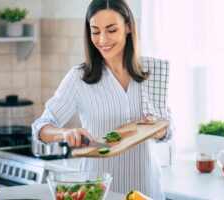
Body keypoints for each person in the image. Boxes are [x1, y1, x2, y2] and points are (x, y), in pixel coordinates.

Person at [32, 0, 174, 199]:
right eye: (95, 31)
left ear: (128, 27)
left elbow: (168, 130)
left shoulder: (152, 73)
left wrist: (158, 130)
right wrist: (65, 133)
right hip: (98, 193)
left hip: (147, 191)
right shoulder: (79, 78)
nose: (103, 39)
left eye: (111, 30)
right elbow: (40, 127)